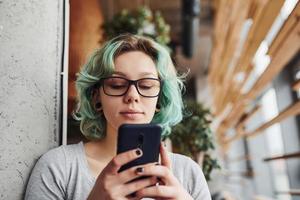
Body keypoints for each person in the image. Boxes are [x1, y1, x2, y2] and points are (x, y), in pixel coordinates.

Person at [25, 34, 211, 200]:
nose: (133, 95)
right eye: (116, 84)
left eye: (146, 85)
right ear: (96, 96)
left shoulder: (188, 174)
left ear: (160, 99)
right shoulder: (59, 167)